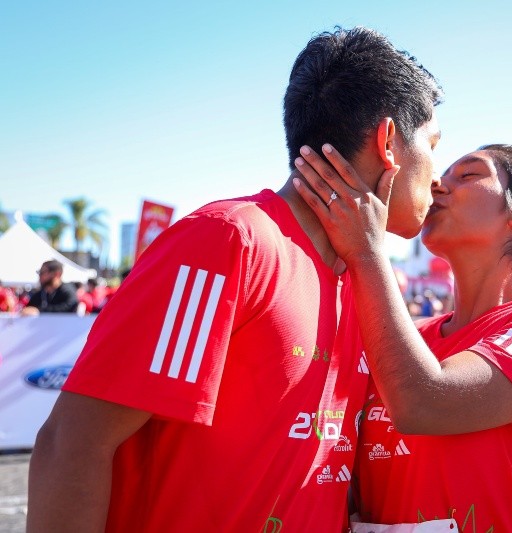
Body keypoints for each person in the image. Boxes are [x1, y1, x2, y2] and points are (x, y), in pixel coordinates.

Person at [28, 27, 443, 533]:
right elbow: (72, 444)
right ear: (389, 143)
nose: (438, 177)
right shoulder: (229, 243)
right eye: (434, 144)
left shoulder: (366, 278)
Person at [293, 143, 512, 531]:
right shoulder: (406, 338)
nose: (439, 183)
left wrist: (368, 251)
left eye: (469, 174)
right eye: (445, 174)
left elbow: (425, 402)